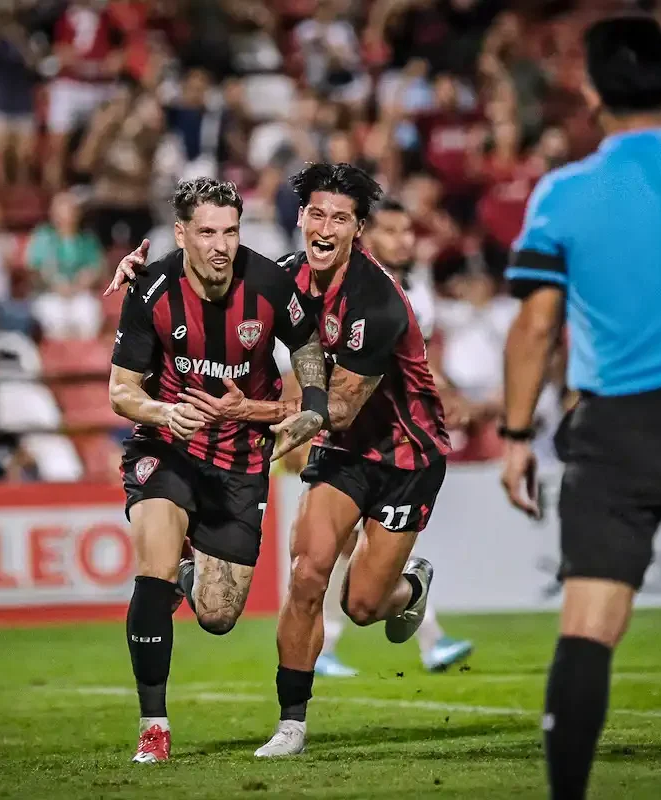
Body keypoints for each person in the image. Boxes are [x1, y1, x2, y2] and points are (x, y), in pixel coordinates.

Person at [500, 17, 661, 800]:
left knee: (590, 628)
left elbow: (537, 323)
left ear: (589, 91)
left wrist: (515, 438)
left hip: (613, 429)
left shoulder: (563, 192)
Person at [182, 163, 451, 758]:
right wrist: (143, 280)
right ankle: (292, 725)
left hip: (406, 456)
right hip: (344, 454)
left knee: (361, 605)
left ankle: (411, 588)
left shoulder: (378, 302)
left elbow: (339, 408)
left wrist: (245, 413)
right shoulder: (283, 277)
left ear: (358, 229)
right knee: (307, 572)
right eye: (317, 214)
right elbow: (209, 291)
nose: (326, 227)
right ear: (301, 218)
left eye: (341, 218)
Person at [108, 178, 327, 764]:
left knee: (218, 617)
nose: (220, 245)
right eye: (206, 232)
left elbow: (307, 351)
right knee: (151, 575)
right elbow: (121, 391)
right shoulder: (151, 290)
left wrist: (312, 406)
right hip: (168, 446)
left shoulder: (271, 286)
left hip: (239, 460)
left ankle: (189, 572)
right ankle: (153, 727)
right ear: (181, 234)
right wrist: (161, 411)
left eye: (230, 231)